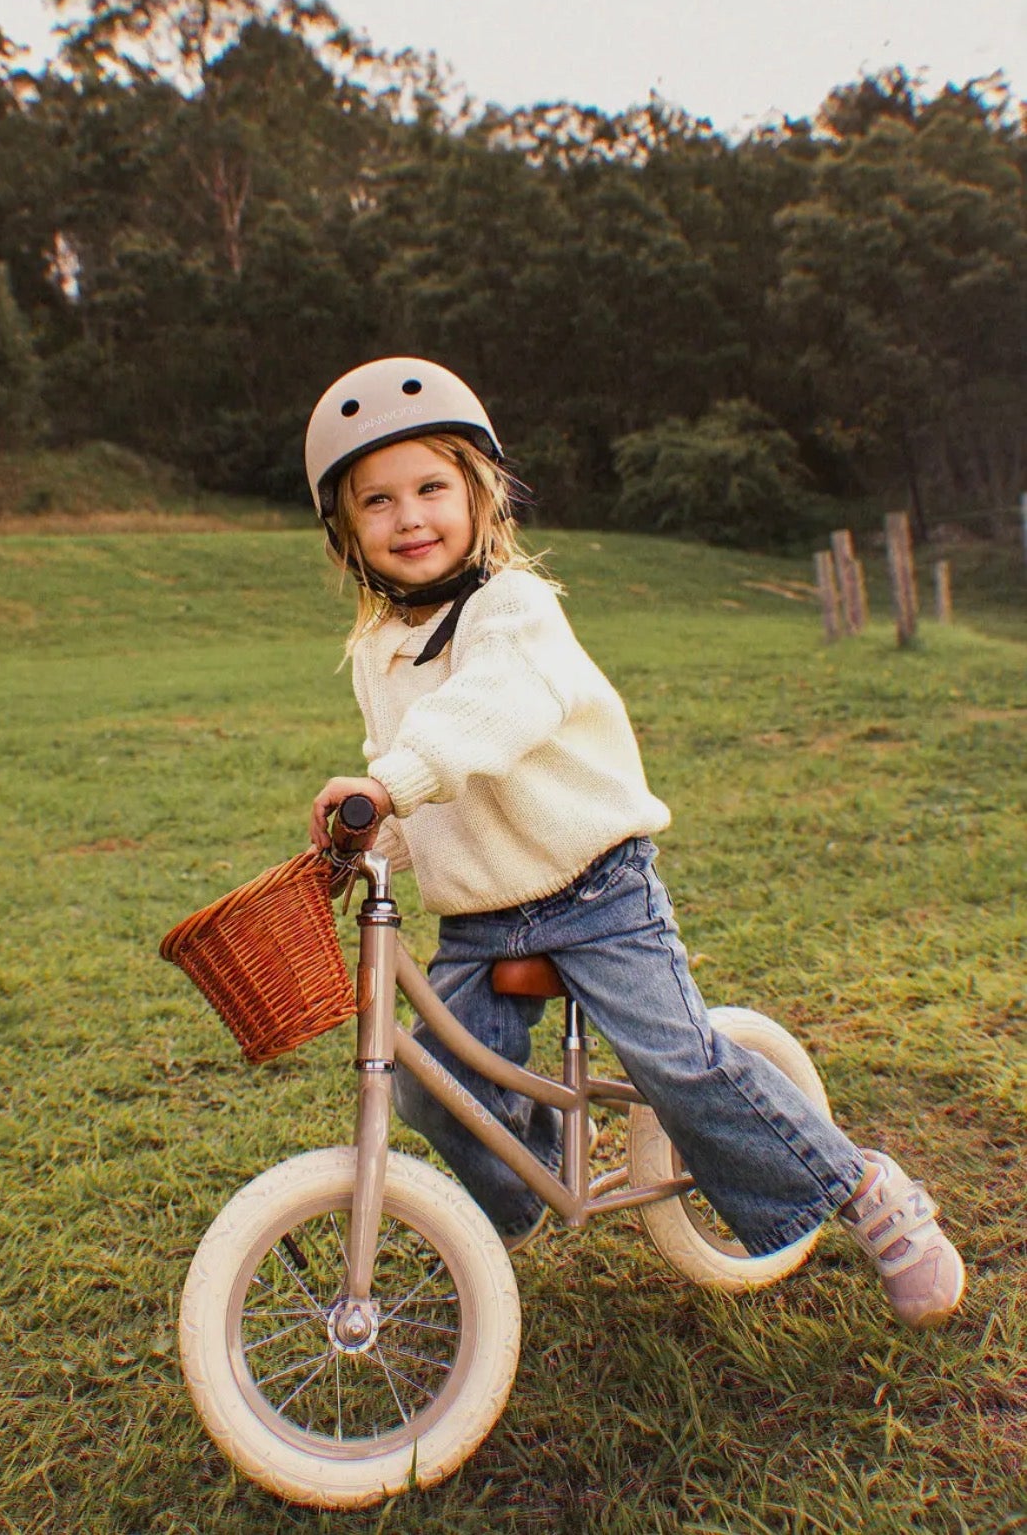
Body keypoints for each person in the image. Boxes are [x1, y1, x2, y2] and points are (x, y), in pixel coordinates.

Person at [305, 356, 965, 1329]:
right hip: (493, 934)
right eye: (379, 501)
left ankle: (862, 1186)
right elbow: (406, 774)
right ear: (347, 531)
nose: (410, 516)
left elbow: (485, 719)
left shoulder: (513, 611)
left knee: (677, 1064)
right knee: (430, 1082)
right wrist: (368, 839)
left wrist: (388, 781)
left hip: (593, 899)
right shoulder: (377, 651)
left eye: (432, 488)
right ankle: (515, 1203)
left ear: (479, 495)